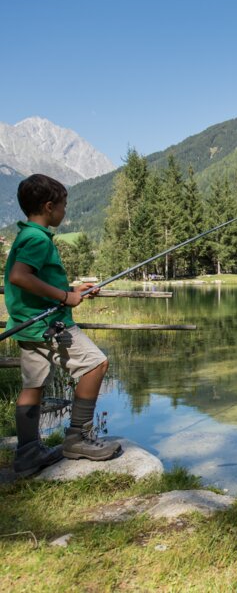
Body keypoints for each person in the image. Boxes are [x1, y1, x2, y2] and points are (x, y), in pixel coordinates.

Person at [4, 174, 121, 477]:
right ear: (48, 206)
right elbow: (20, 276)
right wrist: (64, 297)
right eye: (64, 206)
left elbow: (35, 279)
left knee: (33, 385)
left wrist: (74, 289)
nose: (65, 212)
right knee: (96, 364)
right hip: (50, 324)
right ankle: (78, 439)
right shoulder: (37, 239)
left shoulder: (26, 235)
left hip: (31, 326)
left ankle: (28, 453)